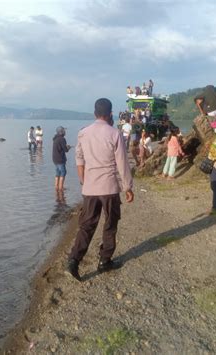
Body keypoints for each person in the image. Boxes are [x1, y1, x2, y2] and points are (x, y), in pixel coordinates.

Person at [66, 98, 134, 281]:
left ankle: (74, 260)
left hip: (89, 188)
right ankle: (105, 260)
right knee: (110, 224)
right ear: (110, 114)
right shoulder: (115, 133)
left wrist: (82, 180)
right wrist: (128, 187)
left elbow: (79, 158)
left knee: (86, 225)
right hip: (109, 187)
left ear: (95, 113)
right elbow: (122, 163)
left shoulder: (83, 133)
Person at [52, 126, 70, 191]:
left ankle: (56, 187)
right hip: (60, 159)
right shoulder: (62, 139)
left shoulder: (55, 138)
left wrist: (65, 147)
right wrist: (68, 147)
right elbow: (65, 150)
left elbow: (60, 148)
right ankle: (61, 188)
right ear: (61, 132)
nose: (65, 132)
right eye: (64, 131)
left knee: (58, 173)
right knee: (63, 172)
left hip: (55, 159)